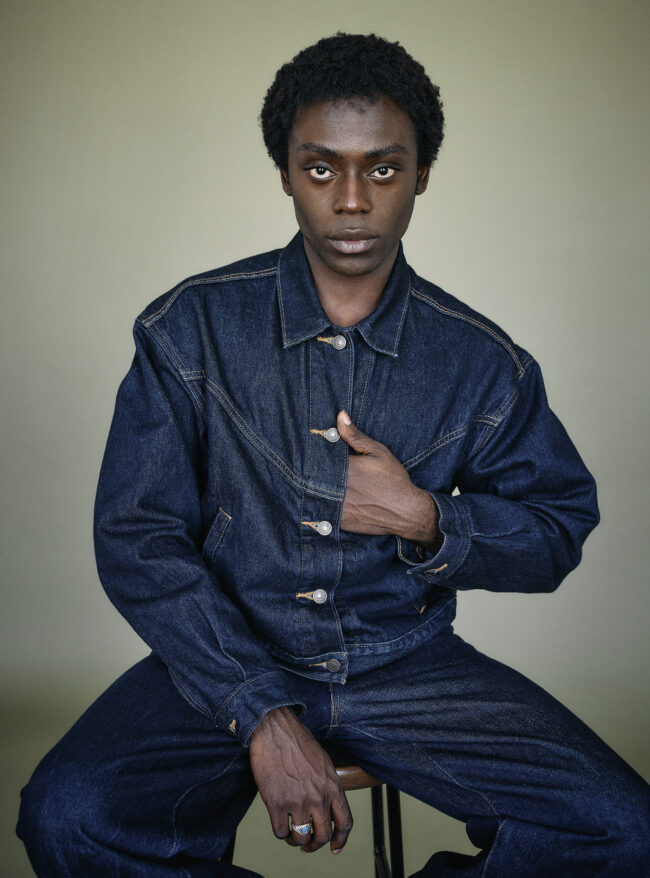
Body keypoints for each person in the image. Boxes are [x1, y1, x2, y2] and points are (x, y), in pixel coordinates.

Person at [17, 32, 649, 877]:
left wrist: (424, 517)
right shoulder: (189, 328)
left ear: (422, 174)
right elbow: (137, 537)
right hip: (224, 656)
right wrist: (259, 710)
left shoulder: (483, 362)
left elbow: (556, 530)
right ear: (286, 172)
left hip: (408, 664)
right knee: (68, 816)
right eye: (321, 168)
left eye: (383, 169)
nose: (352, 200)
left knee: (624, 831)